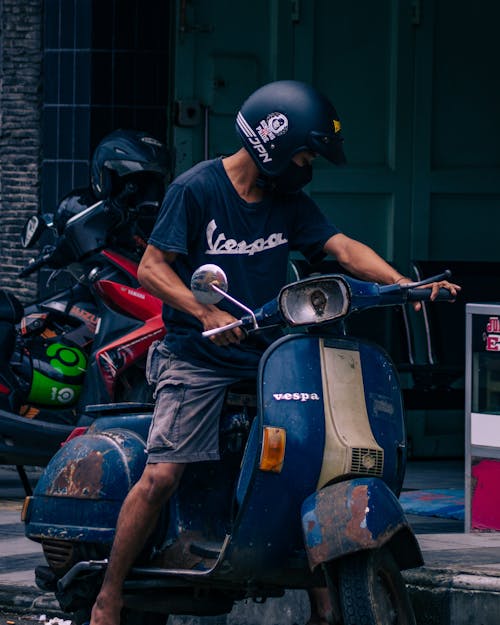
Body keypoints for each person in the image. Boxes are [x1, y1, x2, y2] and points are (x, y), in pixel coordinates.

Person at [90, 80, 460, 625]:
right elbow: (152, 268)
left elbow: (341, 249)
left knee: (308, 462)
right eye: (306, 154)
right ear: (275, 143)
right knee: (163, 474)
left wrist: (405, 285)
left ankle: (317, 590)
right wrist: (205, 313)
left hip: (268, 358)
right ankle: (109, 594)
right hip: (197, 359)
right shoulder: (196, 191)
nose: (309, 165)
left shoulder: (288, 202)